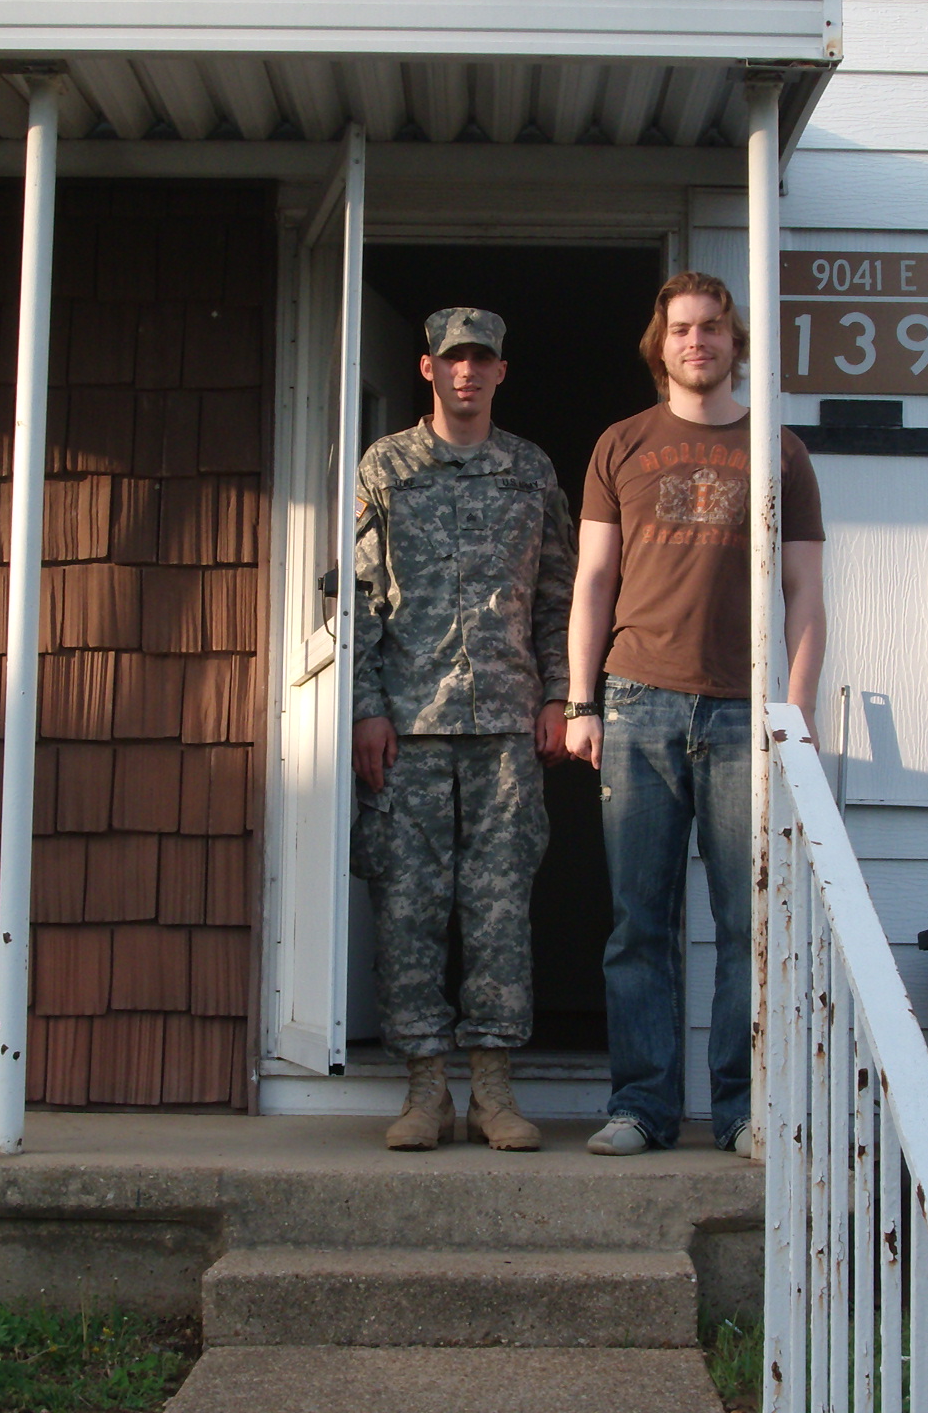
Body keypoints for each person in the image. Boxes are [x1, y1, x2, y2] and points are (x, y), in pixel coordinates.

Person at [564, 272, 826, 1156]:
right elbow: (593, 583)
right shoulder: (621, 444)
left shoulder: (779, 451)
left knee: (748, 921)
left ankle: (744, 1111)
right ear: (660, 342)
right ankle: (642, 1106)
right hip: (636, 702)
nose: (697, 342)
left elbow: (806, 596)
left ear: (733, 342)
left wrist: (797, 709)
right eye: (681, 329)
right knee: (640, 922)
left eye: (712, 328)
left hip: (742, 716)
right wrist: (581, 700)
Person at [351, 306, 575, 1152]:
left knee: (498, 910)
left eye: (482, 359)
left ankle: (492, 1092)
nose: (468, 373)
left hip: (507, 727)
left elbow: (556, 594)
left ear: (501, 372)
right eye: (454, 359)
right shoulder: (389, 466)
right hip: (408, 726)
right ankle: (424, 1093)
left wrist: (558, 696)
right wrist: (368, 707)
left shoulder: (529, 470)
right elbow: (364, 600)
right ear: (428, 369)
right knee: (407, 907)